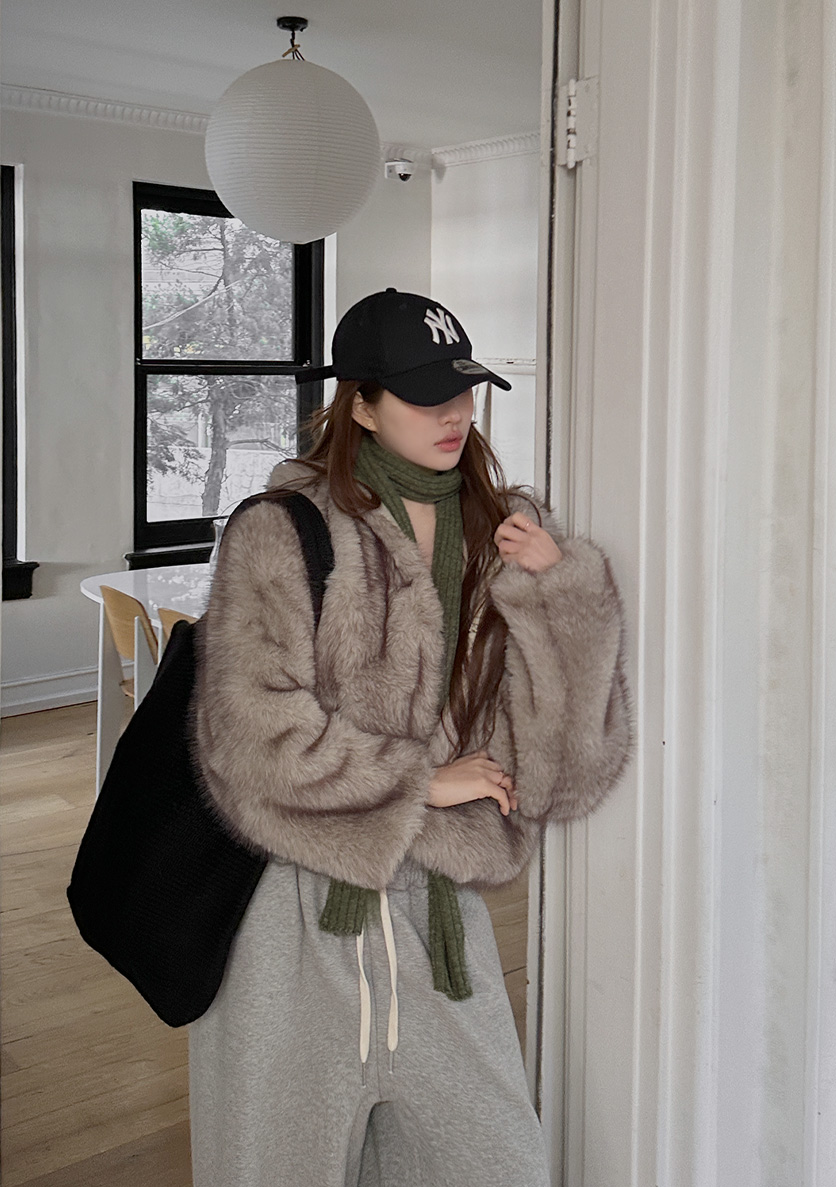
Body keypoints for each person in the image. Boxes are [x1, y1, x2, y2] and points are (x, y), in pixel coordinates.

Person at [188, 288, 632, 1187]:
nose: (456, 414)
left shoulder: (507, 532)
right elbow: (250, 743)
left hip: (441, 923)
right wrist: (418, 783)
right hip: (291, 917)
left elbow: (561, 774)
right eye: (428, 397)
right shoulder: (283, 531)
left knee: (499, 1164)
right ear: (360, 404)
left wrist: (559, 598)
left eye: (463, 390)